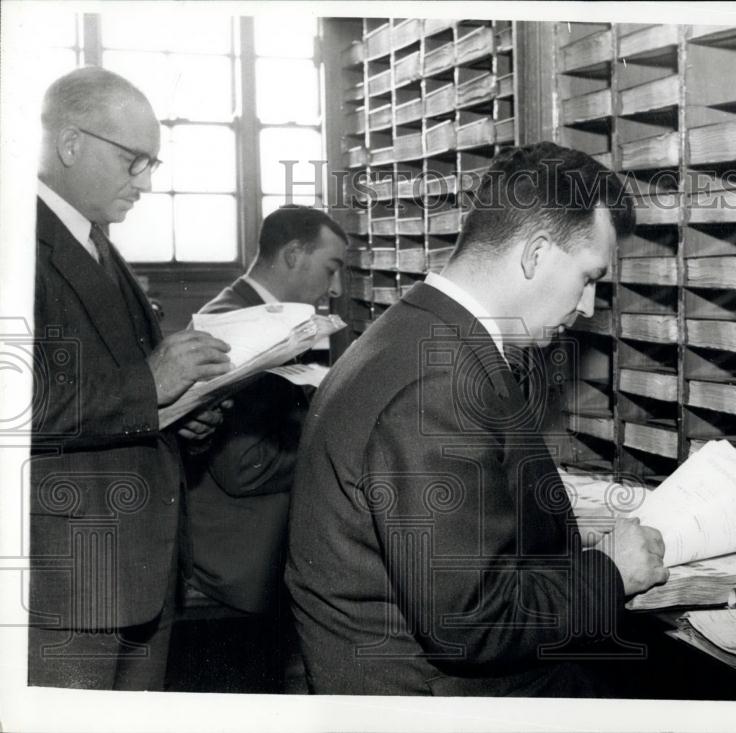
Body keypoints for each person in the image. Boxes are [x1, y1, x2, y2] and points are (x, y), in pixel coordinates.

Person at [285, 142, 669, 697]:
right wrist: (610, 573)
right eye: (588, 277)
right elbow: (469, 623)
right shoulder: (437, 384)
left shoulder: (419, 331)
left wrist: (555, 535)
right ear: (537, 254)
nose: (587, 306)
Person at [29, 66, 232, 690]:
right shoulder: (21, 241)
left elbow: (119, 382)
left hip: (134, 574)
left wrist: (181, 408)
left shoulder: (93, 239)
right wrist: (152, 382)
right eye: (133, 161)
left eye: (152, 164)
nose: (144, 182)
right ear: (70, 144)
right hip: (69, 589)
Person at [179, 205, 346, 691]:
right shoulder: (241, 328)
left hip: (240, 557)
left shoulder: (251, 313)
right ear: (294, 255)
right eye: (330, 268)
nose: (334, 288)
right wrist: (334, 453)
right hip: (240, 567)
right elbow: (244, 468)